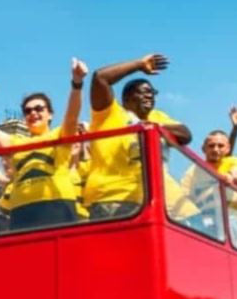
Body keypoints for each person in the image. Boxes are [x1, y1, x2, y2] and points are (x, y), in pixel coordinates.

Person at [0, 58, 89, 231]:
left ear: (50, 114)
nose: (33, 113)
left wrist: (77, 83)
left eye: (39, 108)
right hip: (22, 212)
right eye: (28, 111)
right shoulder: (15, 143)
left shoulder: (58, 135)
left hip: (57, 207)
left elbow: (72, 115)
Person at [82, 53, 193, 220]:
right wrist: (139, 65)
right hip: (110, 200)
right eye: (142, 92)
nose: (149, 95)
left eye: (152, 92)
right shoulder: (109, 114)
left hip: (148, 202)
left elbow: (185, 134)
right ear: (126, 98)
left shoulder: (157, 117)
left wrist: (152, 127)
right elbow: (100, 78)